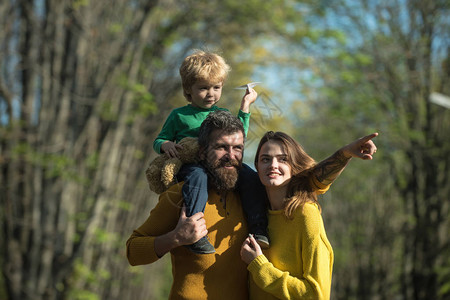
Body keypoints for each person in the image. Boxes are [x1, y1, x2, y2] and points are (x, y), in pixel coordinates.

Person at [152, 50, 269, 254]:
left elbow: (237, 136)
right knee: (197, 178)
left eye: (216, 87)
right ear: (189, 89)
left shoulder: (221, 113)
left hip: (220, 164)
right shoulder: (179, 115)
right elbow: (159, 139)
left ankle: (258, 228)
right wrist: (165, 145)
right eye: (203, 88)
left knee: (249, 176)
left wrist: (245, 106)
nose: (211, 94)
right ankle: (195, 232)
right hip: (192, 165)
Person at [240, 131, 378, 300]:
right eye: (265, 159)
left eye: (283, 159)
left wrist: (259, 267)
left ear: (294, 166)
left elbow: (315, 294)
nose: (273, 165)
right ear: (257, 167)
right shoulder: (257, 215)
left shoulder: (306, 214)